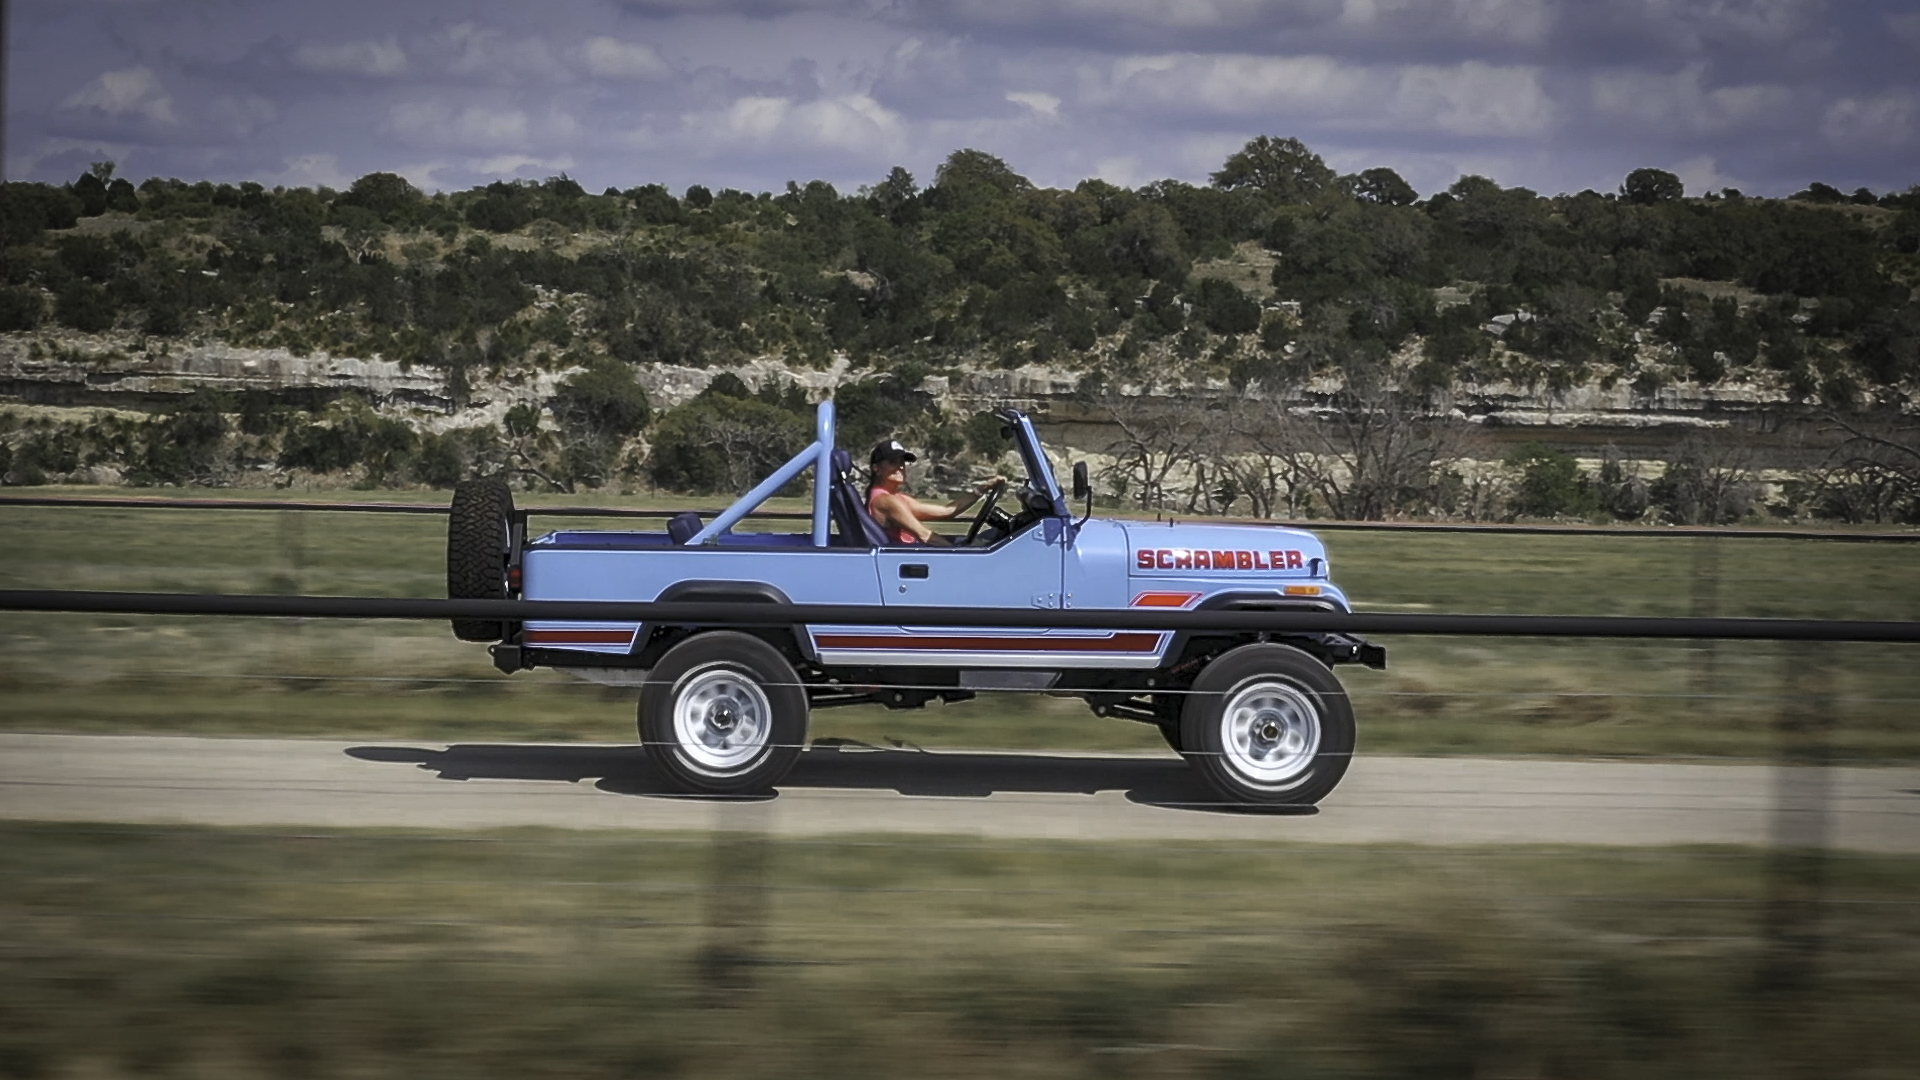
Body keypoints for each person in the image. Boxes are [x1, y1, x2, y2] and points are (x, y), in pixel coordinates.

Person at [865, 440, 1000, 545]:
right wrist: (959, 554)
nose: (900, 467)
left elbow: (947, 511)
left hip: (914, 550)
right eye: (893, 462)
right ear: (876, 468)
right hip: (911, 555)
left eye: (902, 462)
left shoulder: (896, 498)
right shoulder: (886, 501)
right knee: (994, 540)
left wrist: (981, 490)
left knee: (992, 536)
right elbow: (924, 535)